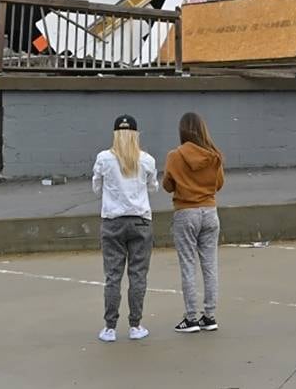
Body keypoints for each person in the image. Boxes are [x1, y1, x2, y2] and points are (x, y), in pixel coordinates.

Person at [92, 114, 159, 342]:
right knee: (138, 275)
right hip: (140, 220)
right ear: (135, 134)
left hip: (112, 221)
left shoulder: (103, 158)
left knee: (113, 276)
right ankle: (135, 325)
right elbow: (153, 188)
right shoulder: (147, 159)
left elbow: (96, 187)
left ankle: (110, 327)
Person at [163, 112, 225, 333]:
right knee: (210, 265)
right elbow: (218, 184)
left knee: (188, 265)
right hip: (210, 211)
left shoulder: (174, 156)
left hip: (185, 212)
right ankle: (209, 316)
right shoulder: (214, 155)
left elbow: (168, 186)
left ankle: (190, 318)